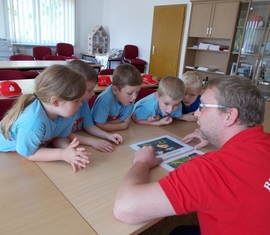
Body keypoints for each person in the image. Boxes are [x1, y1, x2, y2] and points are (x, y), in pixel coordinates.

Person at [113, 76, 270, 235]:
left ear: (229, 115)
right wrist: (210, 134)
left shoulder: (213, 170)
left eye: (203, 106)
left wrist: (142, 163)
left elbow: (125, 208)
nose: (196, 113)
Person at [0, 64, 90, 173]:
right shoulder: (33, 122)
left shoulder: (66, 113)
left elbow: (59, 137)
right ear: (55, 101)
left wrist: (68, 151)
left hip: (26, 149)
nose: (80, 104)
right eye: (76, 101)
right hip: (7, 155)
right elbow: (30, 154)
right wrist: (62, 154)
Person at [66, 60, 123, 152]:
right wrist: (92, 141)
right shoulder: (65, 108)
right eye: (89, 90)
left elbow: (89, 126)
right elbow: (64, 134)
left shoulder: (83, 103)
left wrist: (108, 136)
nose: (93, 94)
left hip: (77, 142)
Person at [92, 64, 142, 132]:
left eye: (137, 92)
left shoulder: (129, 99)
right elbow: (99, 125)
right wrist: (123, 126)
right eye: (130, 93)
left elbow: (122, 120)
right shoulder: (105, 99)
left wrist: (106, 124)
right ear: (115, 90)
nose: (134, 97)